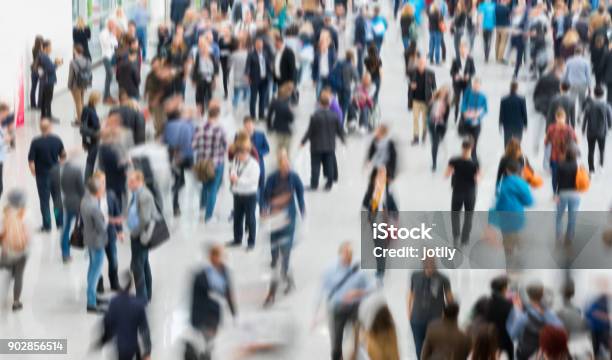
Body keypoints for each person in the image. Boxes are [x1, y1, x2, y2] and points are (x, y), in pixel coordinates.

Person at [262, 150, 305, 306]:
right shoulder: (272, 179)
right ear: (279, 165)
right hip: (274, 220)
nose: (286, 168)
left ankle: (273, 292)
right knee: (274, 255)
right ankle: (286, 277)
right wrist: (266, 208)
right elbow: (265, 196)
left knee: (284, 252)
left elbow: (299, 193)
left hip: (288, 219)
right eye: (283, 165)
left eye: (288, 165)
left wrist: (302, 209)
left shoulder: (294, 177)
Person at [318, 242, 373, 360]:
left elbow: (371, 287)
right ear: (339, 254)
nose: (348, 256)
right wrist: (318, 311)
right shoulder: (331, 271)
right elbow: (322, 291)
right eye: (345, 253)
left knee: (360, 339)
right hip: (337, 309)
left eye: (350, 253)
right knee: (336, 343)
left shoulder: (359, 270)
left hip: (355, 309)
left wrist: (359, 293)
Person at [189, 244, 237, 359]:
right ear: (211, 257)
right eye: (216, 256)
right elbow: (195, 299)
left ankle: (205, 352)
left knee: (210, 339)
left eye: (220, 256)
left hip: (215, 312)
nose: (219, 259)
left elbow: (228, 292)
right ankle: (205, 354)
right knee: (208, 339)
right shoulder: (201, 276)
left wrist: (233, 311)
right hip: (204, 314)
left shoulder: (224, 272)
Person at [97, 272, 152, 360]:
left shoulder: (114, 302)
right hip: (133, 346)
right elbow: (144, 329)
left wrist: (102, 340)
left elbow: (107, 323)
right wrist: (147, 351)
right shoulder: (138, 304)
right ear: (132, 285)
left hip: (120, 346)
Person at [408, 257, 454, 359]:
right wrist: (409, 313)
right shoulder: (415, 276)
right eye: (427, 261)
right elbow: (411, 294)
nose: (429, 264)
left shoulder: (443, 278)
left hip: (436, 320)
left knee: (435, 349)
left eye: (431, 261)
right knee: (419, 349)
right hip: (417, 320)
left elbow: (450, 300)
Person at [300, 90, 346, 191]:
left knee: (315, 166)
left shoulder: (315, 116)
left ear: (320, 103)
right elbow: (340, 130)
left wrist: (302, 142)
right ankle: (329, 184)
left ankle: (314, 184)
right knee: (329, 165)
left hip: (316, 146)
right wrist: (343, 140)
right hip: (330, 145)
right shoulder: (334, 116)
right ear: (329, 104)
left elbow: (310, 131)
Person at [508, 282, 564, 359]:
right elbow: (561, 330)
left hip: (527, 353)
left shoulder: (523, 316)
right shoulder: (550, 314)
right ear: (542, 294)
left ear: (528, 295)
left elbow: (512, 335)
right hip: (545, 353)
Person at [192, 100, 227, 222]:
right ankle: (209, 216)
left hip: (203, 163)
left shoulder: (199, 128)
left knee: (205, 186)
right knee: (213, 189)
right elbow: (225, 146)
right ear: (217, 116)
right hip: (216, 163)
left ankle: (203, 208)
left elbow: (194, 146)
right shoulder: (220, 129)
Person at [28, 119, 66, 232]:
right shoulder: (57, 140)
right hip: (55, 174)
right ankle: (60, 223)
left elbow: (31, 161)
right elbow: (63, 155)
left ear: (40, 128)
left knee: (44, 201)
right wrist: (59, 165)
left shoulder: (35, 142)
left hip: (42, 176)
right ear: (50, 128)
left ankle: (47, 225)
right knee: (57, 199)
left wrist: (33, 172)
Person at [127, 170, 157, 303]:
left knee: (137, 266)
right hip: (139, 234)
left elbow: (144, 219)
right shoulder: (136, 194)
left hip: (140, 236)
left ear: (140, 182)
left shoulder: (143, 195)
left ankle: (142, 297)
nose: (129, 183)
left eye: (132, 181)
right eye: (129, 180)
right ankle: (147, 294)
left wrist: (134, 232)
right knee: (143, 263)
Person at [81, 176, 108, 313]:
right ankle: (91, 303)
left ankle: (94, 297)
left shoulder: (85, 200)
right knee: (96, 272)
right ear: (97, 191)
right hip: (97, 242)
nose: (104, 189)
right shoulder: (94, 207)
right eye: (102, 187)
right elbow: (102, 227)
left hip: (89, 239)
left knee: (92, 269)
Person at [227, 136, 260, 250]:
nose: (237, 156)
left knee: (250, 218)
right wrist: (231, 175)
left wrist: (238, 180)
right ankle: (237, 239)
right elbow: (232, 169)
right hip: (237, 194)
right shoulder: (236, 160)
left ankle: (251, 242)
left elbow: (253, 181)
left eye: (239, 154)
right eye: (237, 154)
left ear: (246, 153)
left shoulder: (254, 164)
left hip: (249, 194)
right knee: (237, 218)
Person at [163, 100, 195, 217]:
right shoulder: (189, 125)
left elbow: (164, 141)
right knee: (189, 180)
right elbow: (193, 139)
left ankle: (175, 205)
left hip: (173, 157)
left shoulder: (168, 125)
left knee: (178, 179)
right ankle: (200, 203)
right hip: (187, 156)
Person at [92, 171, 122, 294]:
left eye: (104, 181)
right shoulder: (90, 197)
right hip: (95, 236)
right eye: (100, 182)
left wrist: (120, 231)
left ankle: (114, 282)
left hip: (109, 233)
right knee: (96, 260)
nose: (102, 184)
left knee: (113, 258)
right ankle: (99, 283)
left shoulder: (111, 195)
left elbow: (117, 213)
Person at [0, 189, 30, 312]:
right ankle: (16, 302)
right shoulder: (25, 216)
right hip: (21, 252)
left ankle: (8, 269)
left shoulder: (4, 216)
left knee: (6, 266)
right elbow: (29, 236)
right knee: (19, 275)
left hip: (8, 251)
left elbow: (1, 235)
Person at [446, 138, 480, 245]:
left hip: (457, 191)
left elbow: (446, 174)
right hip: (470, 192)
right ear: (471, 148)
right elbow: (477, 179)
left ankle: (456, 236)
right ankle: (464, 239)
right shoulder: (475, 162)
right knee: (468, 215)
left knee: (455, 214)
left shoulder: (454, 160)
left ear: (462, 147)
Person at [59, 153, 85, 263]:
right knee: (84, 226)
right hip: (78, 203)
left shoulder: (61, 171)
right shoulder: (77, 170)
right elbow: (81, 189)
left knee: (65, 229)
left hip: (66, 202)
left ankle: (65, 254)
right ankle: (87, 249)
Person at [545, 109, 577, 192]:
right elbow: (576, 140)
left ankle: (555, 193)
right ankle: (562, 192)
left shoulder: (551, 128)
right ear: (565, 117)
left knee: (555, 176)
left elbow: (546, 142)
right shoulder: (569, 128)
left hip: (554, 157)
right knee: (564, 176)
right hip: (566, 157)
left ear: (556, 117)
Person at [582, 86, 612, 173]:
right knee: (601, 149)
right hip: (602, 131)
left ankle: (591, 169)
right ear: (603, 95)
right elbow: (609, 118)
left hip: (590, 131)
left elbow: (585, 118)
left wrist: (583, 129)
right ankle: (601, 166)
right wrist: (609, 127)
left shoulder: (589, 105)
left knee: (591, 150)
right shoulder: (606, 105)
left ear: (594, 95)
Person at [409, 56, 437, 145]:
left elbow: (434, 88)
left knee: (425, 120)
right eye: (419, 63)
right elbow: (410, 84)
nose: (421, 65)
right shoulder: (413, 72)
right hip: (415, 100)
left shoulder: (431, 73)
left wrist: (434, 98)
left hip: (426, 101)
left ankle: (424, 135)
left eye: (423, 63)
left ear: (425, 64)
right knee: (415, 119)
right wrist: (411, 86)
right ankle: (416, 137)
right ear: (417, 63)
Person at [555, 148, 580, 244]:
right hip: (574, 193)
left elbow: (556, 181)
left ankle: (558, 236)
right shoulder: (576, 165)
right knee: (572, 217)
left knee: (559, 217)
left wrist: (556, 194)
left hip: (562, 193)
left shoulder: (560, 165)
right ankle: (569, 236)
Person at [485, 276, 514, 359]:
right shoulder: (508, 305)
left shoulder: (487, 303)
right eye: (506, 287)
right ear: (503, 289)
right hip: (505, 343)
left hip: (490, 342)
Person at [243, 116, 269, 208]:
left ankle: (262, 205)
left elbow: (267, 149)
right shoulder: (240, 136)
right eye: (247, 125)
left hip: (259, 164)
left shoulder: (261, 135)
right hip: (245, 166)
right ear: (244, 126)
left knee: (261, 185)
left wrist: (258, 153)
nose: (249, 127)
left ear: (253, 125)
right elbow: (235, 150)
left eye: (250, 125)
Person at [459, 77, 487, 160]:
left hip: (477, 123)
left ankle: (473, 154)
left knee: (475, 140)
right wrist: (464, 112)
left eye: (477, 86)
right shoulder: (468, 93)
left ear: (480, 86)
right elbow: (463, 103)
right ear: (472, 85)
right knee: (467, 139)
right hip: (467, 122)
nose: (475, 87)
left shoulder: (483, 97)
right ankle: (465, 154)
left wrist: (479, 115)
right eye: (474, 85)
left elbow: (485, 109)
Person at [246, 37, 272, 121]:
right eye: (258, 44)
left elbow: (268, 65)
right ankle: (253, 116)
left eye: (261, 44)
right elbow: (247, 66)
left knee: (263, 98)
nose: (260, 45)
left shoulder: (265, 53)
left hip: (265, 79)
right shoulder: (251, 54)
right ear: (255, 45)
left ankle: (261, 115)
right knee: (253, 98)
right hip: (254, 79)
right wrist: (247, 76)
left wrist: (271, 75)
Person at [192, 37, 219, 115]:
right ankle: (200, 112)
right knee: (199, 96)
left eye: (205, 47)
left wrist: (215, 80)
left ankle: (209, 112)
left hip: (210, 78)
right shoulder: (198, 56)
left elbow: (216, 69)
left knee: (209, 96)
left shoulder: (212, 56)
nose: (203, 49)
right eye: (202, 47)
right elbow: (195, 68)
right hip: (200, 78)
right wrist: (194, 80)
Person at [450, 41, 476, 123]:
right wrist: (456, 75)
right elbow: (451, 72)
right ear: (459, 50)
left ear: (467, 50)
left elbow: (473, 71)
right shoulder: (455, 59)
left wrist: (469, 76)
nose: (463, 50)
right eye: (461, 49)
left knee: (465, 101)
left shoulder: (470, 59)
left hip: (466, 83)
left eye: (464, 49)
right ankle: (456, 116)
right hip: (457, 83)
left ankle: (463, 117)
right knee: (457, 100)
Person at [267, 82, 295, 154]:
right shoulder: (286, 106)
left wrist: (269, 127)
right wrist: (291, 111)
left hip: (277, 128)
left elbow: (269, 116)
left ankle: (279, 161)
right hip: (287, 129)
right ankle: (285, 162)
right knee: (287, 148)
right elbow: (291, 119)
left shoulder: (274, 102)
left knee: (279, 147)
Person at [38, 40, 63, 120]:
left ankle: (43, 115)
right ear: (47, 47)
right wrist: (57, 64)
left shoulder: (41, 55)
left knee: (45, 99)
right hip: (48, 81)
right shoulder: (44, 56)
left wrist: (54, 63)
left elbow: (46, 67)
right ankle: (48, 116)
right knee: (48, 99)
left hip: (44, 80)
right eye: (50, 47)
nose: (51, 48)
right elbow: (50, 69)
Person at [68, 44, 92, 126]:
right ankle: (82, 118)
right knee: (81, 101)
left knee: (77, 102)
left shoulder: (73, 62)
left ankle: (79, 121)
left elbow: (71, 76)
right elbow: (89, 72)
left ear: (75, 51)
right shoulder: (88, 60)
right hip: (84, 83)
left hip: (75, 85)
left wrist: (69, 86)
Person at [428, 86, 451, 171]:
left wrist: (442, 122)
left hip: (441, 125)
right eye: (442, 93)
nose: (443, 95)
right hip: (432, 124)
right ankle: (434, 163)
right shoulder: (433, 101)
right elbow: (428, 112)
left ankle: (439, 144)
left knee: (438, 141)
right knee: (434, 143)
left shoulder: (447, 104)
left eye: (445, 94)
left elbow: (447, 117)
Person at [564, 46, 591, 114]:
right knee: (581, 101)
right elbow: (588, 75)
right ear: (582, 52)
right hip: (583, 84)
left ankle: (571, 115)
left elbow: (566, 73)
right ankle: (579, 115)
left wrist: (564, 82)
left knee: (572, 101)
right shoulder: (586, 62)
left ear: (574, 52)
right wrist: (589, 87)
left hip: (572, 83)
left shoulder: (569, 61)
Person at [499, 81, 528, 146]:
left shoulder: (504, 100)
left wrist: (500, 124)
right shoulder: (521, 100)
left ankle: (507, 155)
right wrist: (525, 124)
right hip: (518, 125)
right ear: (517, 88)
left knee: (507, 144)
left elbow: (501, 113)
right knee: (517, 144)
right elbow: (524, 113)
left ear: (510, 88)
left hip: (507, 125)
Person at [80, 92, 101, 179]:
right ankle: (87, 180)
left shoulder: (85, 108)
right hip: (94, 139)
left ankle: (88, 179)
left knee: (90, 160)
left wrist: (84, 141)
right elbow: (95, 125)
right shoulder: (92, 112)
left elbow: (83, 125)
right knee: (91, 161)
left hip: (88, 139)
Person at [312, 31, 336, 98]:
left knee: (330, 94)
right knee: (318, 93)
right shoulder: (317, 54)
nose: (323, 46)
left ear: (328, 44)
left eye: (324, 44)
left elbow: (335, 65)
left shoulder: (331, 53)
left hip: (329, 76)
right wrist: (313, 79)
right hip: (320, 76)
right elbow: (314, 67)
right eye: (321, 44)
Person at [100, 20, 118, 105]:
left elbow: (116, 44)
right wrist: (112, 38)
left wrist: (113, 37)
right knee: (110, 75)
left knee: (109, 77)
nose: (114, 27)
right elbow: (106, 44)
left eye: (114, 25)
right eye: (113, 25)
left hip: (112, 56)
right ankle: (105, 98)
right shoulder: (103, 33)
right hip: (106, 57)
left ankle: (108, 96)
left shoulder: (111, 33)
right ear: (109, 24)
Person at [230, 35, 249, 110]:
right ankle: (245, 107)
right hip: (247, 78)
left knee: (236, 94)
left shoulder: (234, 54)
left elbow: (229, 65)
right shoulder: (249, 54)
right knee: (247, 93)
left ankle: (234, 107)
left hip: (237, 77)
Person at [30, 35, 44, 109]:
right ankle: (39, 105)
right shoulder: (41, 50)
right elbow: (42, 60)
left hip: (33, 69)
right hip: (39, 69)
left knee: (33, 87)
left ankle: (33, 105)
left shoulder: (33, 49)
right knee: (41, 88)